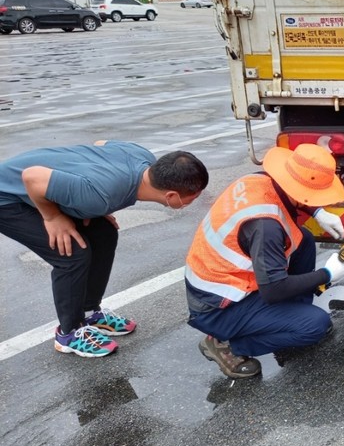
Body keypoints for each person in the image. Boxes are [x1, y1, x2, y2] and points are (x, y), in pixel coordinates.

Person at [0, 141, 209, 358]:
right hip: (8, 198)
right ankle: (69, 333)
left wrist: (84, 201)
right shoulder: (99, 196)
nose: (195, 200)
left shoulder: (143, 158)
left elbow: (100, 144)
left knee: (104, 232)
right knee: (72, 253)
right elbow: (32, 177)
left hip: (43, 187)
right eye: (193, 197)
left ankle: (90, 311)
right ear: (172, 196)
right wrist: (53, 217)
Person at [184, 143, 344, 379]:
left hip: (222, 284)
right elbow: (274, 289)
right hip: (218, 306)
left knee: (302, 239)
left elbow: (289, 195)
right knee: (315, 325)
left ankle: (291, 314)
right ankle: (226, 345)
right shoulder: (265, 227)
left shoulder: (258, 180)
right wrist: (327, 274)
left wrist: (317, 212)